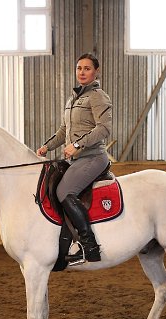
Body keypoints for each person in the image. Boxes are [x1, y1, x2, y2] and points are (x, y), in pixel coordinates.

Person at [36, 53, 112, 263]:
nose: (82, 72)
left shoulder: (98, 96)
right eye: (79, 68)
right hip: (75, 160)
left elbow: (104, 128)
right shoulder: (73, 99)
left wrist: (78, 145)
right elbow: (64, 130)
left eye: (87, 68)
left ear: (96, 71)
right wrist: (47, 146)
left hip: (93, 157)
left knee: (64, 191)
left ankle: (89, 246)